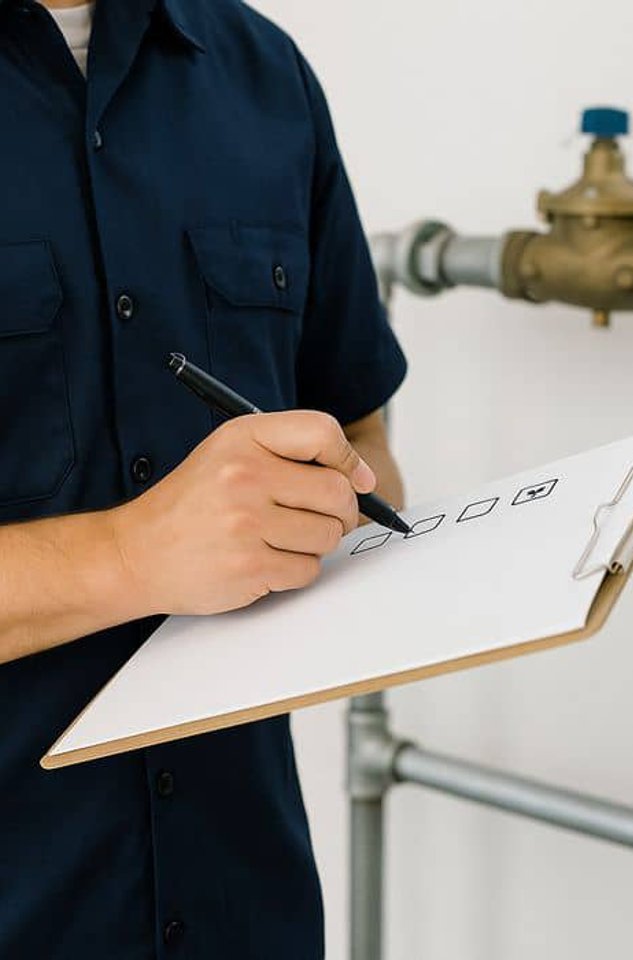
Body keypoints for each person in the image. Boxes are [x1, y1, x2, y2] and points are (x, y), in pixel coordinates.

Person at [0, 0, 408, 957]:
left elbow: (362, 437)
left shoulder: (264, 73)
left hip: (244, 904)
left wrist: (321, 514)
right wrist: (129, 557)